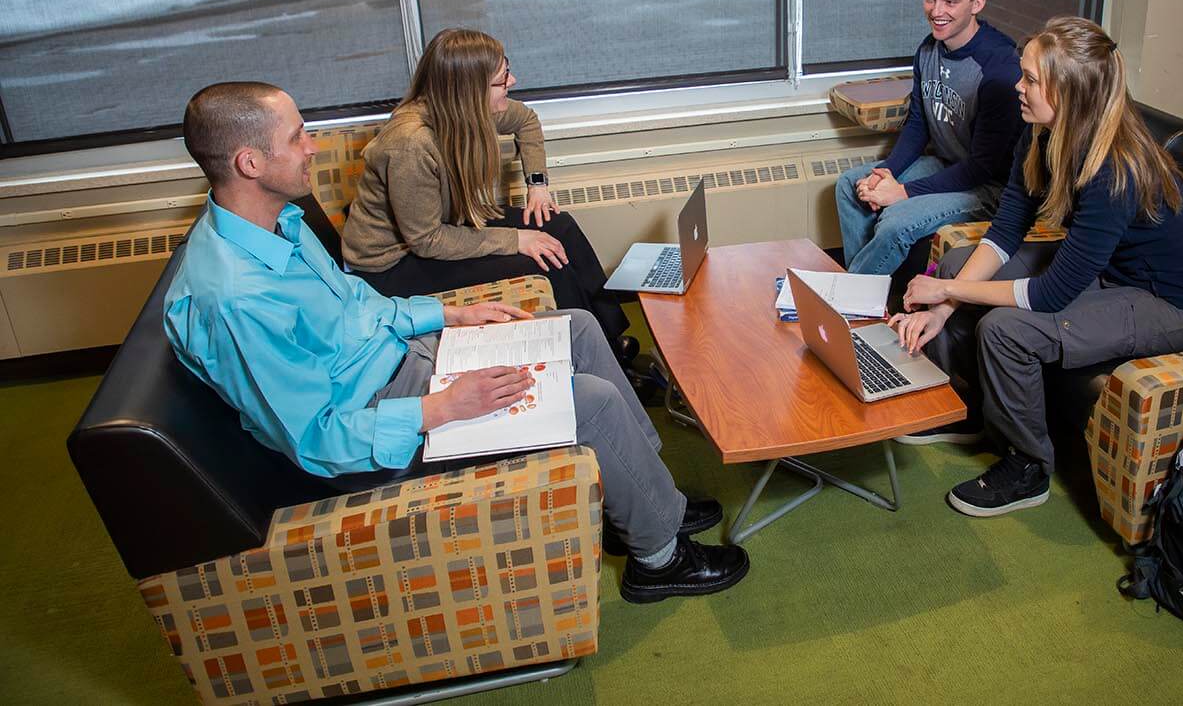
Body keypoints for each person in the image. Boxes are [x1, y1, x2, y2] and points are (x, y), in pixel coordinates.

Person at [163, 82, 749, 603]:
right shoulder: (237, 297)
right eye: (296, 138)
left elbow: (357, 308)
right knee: (588, 402)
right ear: (249, 161)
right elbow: (314, 437)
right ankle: (659, 560)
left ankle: (649, 504)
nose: (312, 146)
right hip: (378, 427)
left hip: (399, 364)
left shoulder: (279, 224)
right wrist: (441, 408)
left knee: (577, 327)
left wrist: (444, 316)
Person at [887, 17, 1183, 519]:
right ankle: (969, 408)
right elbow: (1004, 234)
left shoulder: (1114, 168)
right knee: (958, 261)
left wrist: (947, 294)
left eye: (1030, 80)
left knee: (1006, 329)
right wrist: (947, 298)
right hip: (1113, 271)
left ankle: (1027, 466)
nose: (1016, 87)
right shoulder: (1041, 134)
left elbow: (1048, 298)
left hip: (1173, 302)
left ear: (1069, 92)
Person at [341, 28, 634, 362]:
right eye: (502, 78)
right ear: (469, 92)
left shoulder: (466, 111)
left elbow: (526, 120)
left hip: (443, 225)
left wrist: (537, 185)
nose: (513, 81)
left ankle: (613, 338)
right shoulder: (411, 143)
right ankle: (590, 357)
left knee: (558, 224)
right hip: (391, 266)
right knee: (540, 260)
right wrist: (515, 240)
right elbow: (426, 239)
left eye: (506, 69)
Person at [835, 0, 1024, 276]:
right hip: (946, 164)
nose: (937, 11)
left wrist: (903, 192)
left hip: (990, 186)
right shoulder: (928, 49)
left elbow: (982, 168)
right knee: (850, 184)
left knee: (898, 219)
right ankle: (867, 294)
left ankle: (850, 301)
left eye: (950, 2)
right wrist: (886, 173)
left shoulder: (999, 68)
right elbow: (918, 125)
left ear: (976, 4)